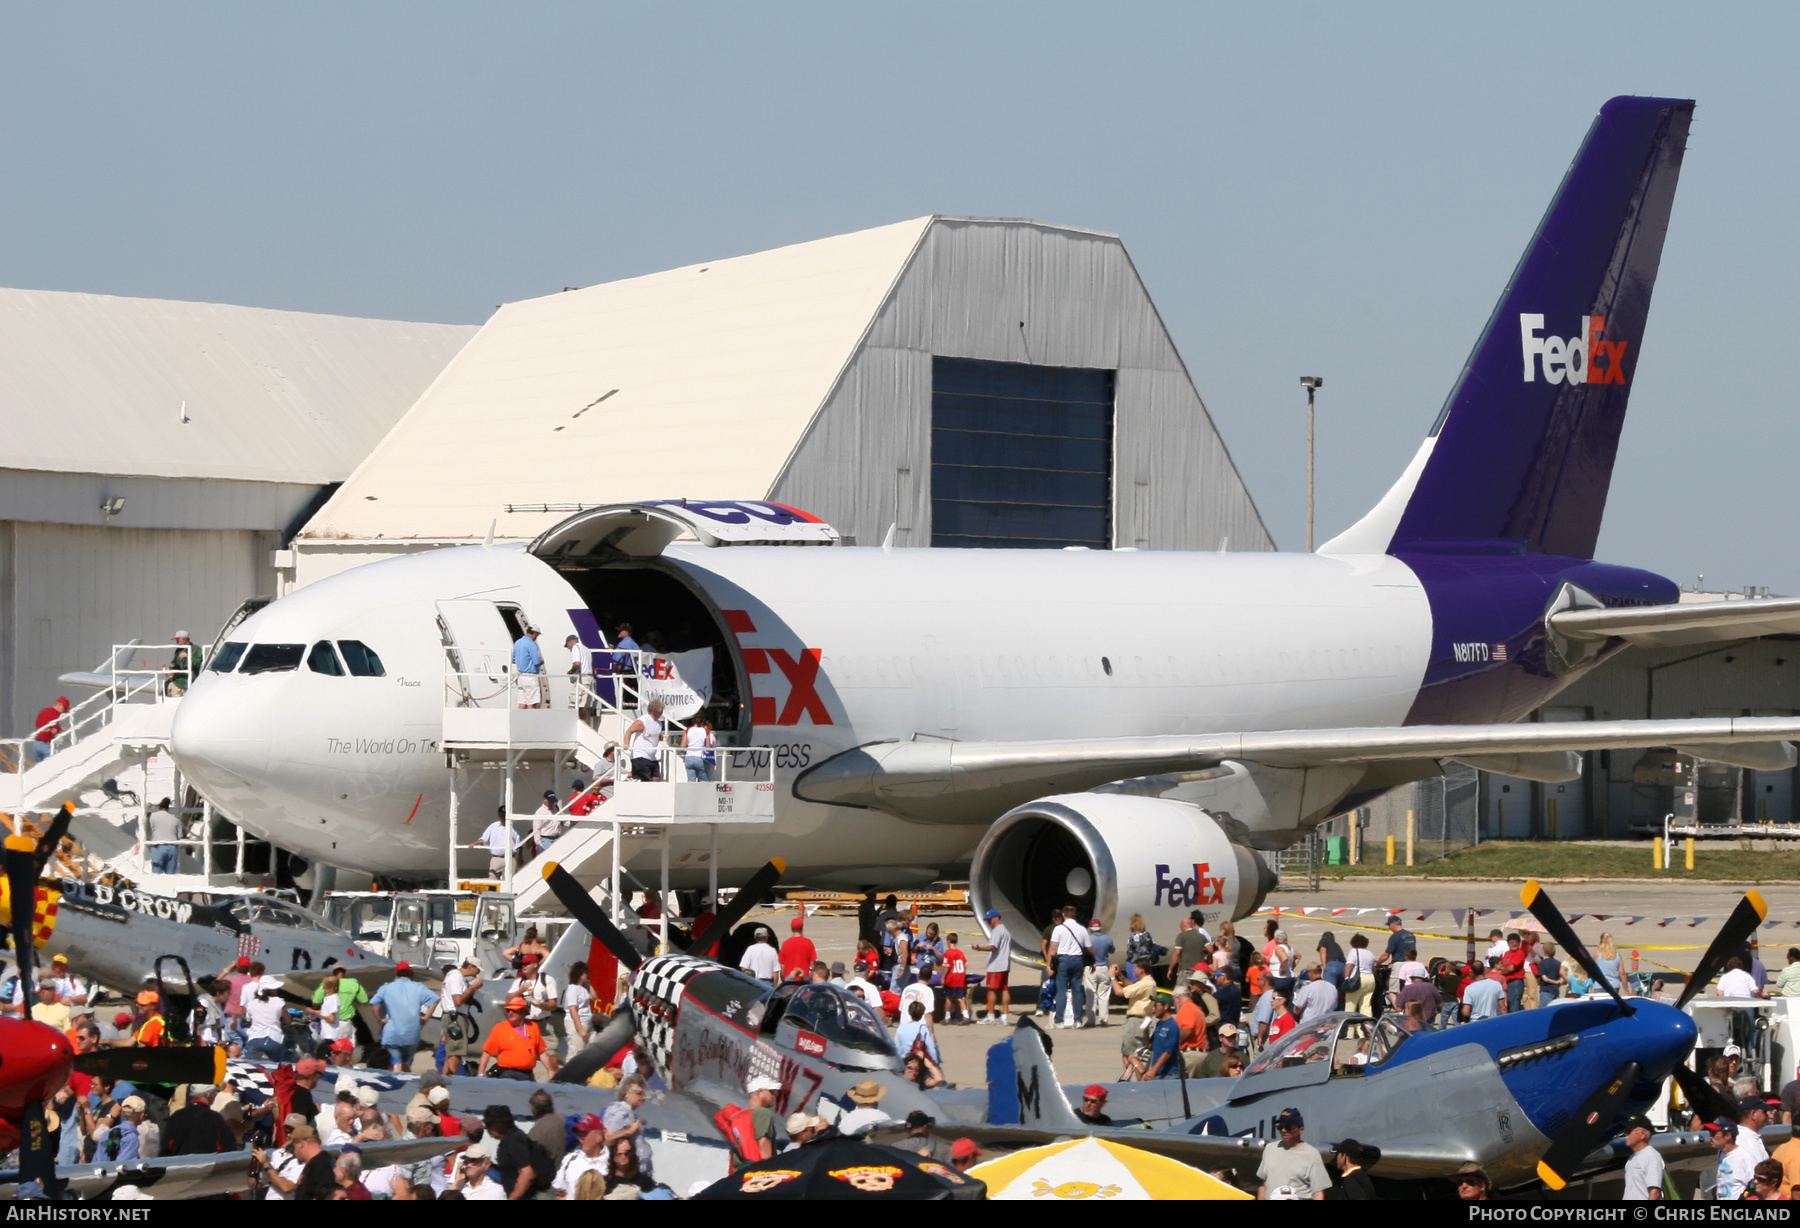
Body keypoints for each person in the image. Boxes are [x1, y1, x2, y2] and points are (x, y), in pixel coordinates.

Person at [369, 962, 437, 1071]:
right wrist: (426, 1018)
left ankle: (397, 1082)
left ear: (396, 973)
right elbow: (434, 1000)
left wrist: (379, 1020)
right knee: (406, 1064)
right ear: (411, 974)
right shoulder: (418, 987)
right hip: (411, 1032)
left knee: (395, 1062)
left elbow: (374, 1004)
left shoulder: (387, 988)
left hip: (392, 1032)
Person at [1256, 1107, 1329, 1200]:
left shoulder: (1312, 1154)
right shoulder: (1270, 1149)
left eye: (1288, 1127)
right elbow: (1263, 1185)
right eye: (1280, 1127)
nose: (1283, 1130)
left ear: (1301, 1129)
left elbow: (1318, 1192)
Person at [509, 960, 563, 1076]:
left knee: (551, 1054)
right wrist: (521, 990)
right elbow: (507, 1000)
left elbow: (553, 1005)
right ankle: (524, 1079)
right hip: (525, 1023)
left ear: (535, 964)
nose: (523, 966)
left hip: (543, 1023)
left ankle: (555, 1080)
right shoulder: (519, 982)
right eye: (522, 964)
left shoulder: (547, 980)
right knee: (522, 1054)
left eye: (526, 963)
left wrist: (542, 1005)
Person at [483, 1103, 542, 1200]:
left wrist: (514, 1197)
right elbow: (510, 1171)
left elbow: (527, 1172)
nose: (487, 1128)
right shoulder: (508, 1139)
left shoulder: (515, 1139)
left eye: (489, 1124)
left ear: (502, 1123)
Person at [478, 995, 546, 1080]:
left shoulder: (533, 1027)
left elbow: (542, 1053)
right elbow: (486, 1053)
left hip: (528, 1074)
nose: (510, 1013)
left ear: (524, 1012)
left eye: (514, 1010)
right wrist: (481, 1074)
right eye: (509, 1010)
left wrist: (552, 1071)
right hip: (508, 1074)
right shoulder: (500, 1028)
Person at [1049, 904, 1092, 1029]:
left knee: (1061, 991)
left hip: (1063, 960)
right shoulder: (1082, 929)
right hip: (1078, 959)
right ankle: (1078, 1020)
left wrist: (1049, 965)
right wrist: (1093, 960)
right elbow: (1089, 947)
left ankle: (1059, 1020)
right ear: (1075, 915)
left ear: (1063, 915)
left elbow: (1053, 948)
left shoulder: (1059, 929)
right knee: (1077, 990)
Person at [439, 955, 482, 1075]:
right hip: (456, 1017)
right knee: (456, 1052)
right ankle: (452, 1079)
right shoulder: (456, 976)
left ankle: (445, 1078)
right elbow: (458, 1001)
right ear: (470, 967)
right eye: (477, 969)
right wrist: (472, 989)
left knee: (451, 1052)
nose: (478, 972)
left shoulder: (453, 975)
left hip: (452, 1016)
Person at [165, 1084, 234, 1156]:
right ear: (208, 1095)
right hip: (206, 1164)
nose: (215, 1095)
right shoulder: (215, 1118)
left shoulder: (176, 1116)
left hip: (179, 1164)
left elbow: (166, 1147)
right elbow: (227, 1146)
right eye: (215, 1093)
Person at [1116, 962, 1157, 1078]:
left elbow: (1119, 992)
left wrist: (1112, 977)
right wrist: (1120, 975)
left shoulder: (1145, 984)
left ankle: (1144, 1081)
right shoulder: (1148, 983)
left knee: (1132, 1057)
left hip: (1135, 1022)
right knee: (1127, 1056)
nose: (1133, 971)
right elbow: (1131, 988)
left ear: (1142, 970)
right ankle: (1129, 1080)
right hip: (1140, 1021)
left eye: (1135, 969)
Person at [552, 1115, 609, 1199]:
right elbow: (561, 1194)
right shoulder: (570, 1159)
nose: (580, 1139)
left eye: (584, 1134)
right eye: (579, 1134)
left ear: (599, 1136)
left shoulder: (612, 1162)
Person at [973, 910, 1013, 1024]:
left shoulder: (997, 931)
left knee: (991, 990)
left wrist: (979, 948)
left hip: (996, 965)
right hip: (1005, 964)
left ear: (996, 918)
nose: (989, 922)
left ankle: (990, 1015)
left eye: (990, 919)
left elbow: (993, 947)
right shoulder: (1006, 931)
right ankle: (1005, 1016)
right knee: (1004, 989)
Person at [730, 1077, 781, 1166]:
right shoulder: (763, 1113)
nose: (774, 1095)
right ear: (759, 1093)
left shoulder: (742, 1114)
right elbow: (763, 1143)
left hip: (741, 1170)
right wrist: (769, 1169)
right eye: (771, 1091)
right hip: (758, 1172)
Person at [1709, 1115, 1760, 1201]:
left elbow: (1755, 1185)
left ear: (1728, 1136)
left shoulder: (1745, 1158)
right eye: (1710, 1133)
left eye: (1714, 1133)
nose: (1710, 1137)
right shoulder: (1722, 1155)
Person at [1621, 1115, 1664, 1200]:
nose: (1625, 1134)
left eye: (1629, 1131)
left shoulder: (1652, 1157)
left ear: (1643, 1134)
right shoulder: (1632, 1158)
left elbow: (1655, 1192)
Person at [624, 700, 665, 782]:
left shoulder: (659, 723)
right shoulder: (643, 721)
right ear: (657, 711)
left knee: (657, 779)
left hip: (652, 757)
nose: (662, 713)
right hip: (640, 755)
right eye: (661, 711)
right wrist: (626, 744)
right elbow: (629, 731)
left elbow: (654, 736)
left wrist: (662, 738)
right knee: (645, 780)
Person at [1086, 921, 1116, 1027]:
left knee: (1091, 994)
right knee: (1104, 995)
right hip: (1103, 967)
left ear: (1090, 928)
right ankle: (1103, 1019)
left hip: (1090, 967)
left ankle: (1090, 1020)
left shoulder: (1087, 939)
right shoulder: (1108, 939)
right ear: (1100, 928)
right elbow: (1112, 950)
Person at [1145, 991, 1181, 1079]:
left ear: (1166, 1007)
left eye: (1156, 1006)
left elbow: (1168, 1052)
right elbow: (1150, 1046)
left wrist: (1153, 1070)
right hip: (1157, 1073)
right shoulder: (1159, 1024)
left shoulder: (1172, 1026)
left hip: (1169, 1074)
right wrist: (1145, 1030)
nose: (1153, 1009)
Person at [475, 807, 518, 878]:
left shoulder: (514, 827)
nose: (503, 818)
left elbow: (518, 843)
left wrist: (520, 858)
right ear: (498, 816)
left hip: (510, 858)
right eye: (502, 816)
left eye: (505, 816)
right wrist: (474, 844)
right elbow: (483, 839)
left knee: (509, 882)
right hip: (496, 859)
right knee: (492, 879)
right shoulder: (493, 826)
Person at [512, 624, 545, 708]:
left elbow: (513, 659)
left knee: (522, 702)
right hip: (530, 676)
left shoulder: (518, 642)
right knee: (532, 702)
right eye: (537, 634)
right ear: (534, 633)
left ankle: (519, 720)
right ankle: (531, 720)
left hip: (520, 675)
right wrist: (542, 661)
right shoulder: (531, 644)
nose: (537, 637)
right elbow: (536, 662)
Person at [27, 696, 68, 763]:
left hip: (36, 743)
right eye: (64, 708)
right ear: (59, 705)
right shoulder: (55, 714)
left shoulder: (44, 711)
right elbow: (54, 730)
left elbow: (37, 725)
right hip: (44, 744)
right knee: (55, 758)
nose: (64, 711)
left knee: (38, 768)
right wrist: (61, 730)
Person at [940, 932, 970, 1024]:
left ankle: (947, 1017)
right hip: (960, 977)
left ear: (948, 941)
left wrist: (943, 977)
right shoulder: (961, 953)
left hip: (952, 978)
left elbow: (946, 967)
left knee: (949, 997)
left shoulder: (948, 953)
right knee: (960, 998)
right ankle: (966, 1016)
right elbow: (965, 964)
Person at [1168, 915, 1208, 983]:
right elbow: (1210, 950)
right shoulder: (1201, 936)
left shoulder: (1181, 936)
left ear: (1182, 925)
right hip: (1199, 971)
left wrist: (1170, 968)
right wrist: (1203, 953)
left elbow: (1177, 953)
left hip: (1186, 969)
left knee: (1182, 991)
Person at [146, 798, 181, 874]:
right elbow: (179, 837)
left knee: (157, 874)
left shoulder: (153, 816)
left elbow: (148, 829)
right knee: (171, 874)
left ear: (160, 806)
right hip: (172, 847)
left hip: (158, 846)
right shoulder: (175, 820)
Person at [780, 916, 816, 982]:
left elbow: (782, 967)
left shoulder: (785, 944)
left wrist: (784, 981)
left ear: (791, 928)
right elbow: (812, 964)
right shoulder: (808, 943)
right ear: (802, 928)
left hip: (789, 980)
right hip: (804, 980)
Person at [1739, 1096, 1772, 1165]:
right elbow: (1759, 1173)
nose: (1767, 1116)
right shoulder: (1750, 1143)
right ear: (1753, 1114)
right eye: (1764, 1112)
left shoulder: (1738, 1135)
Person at [1124, 914, 1157, 981]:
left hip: (1136, 963)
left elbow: (1129, 952)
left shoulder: (1132, 936)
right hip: (1146, 963)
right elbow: (1154, 949)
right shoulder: (1148, 935)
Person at [1317, 931, 1346, 996]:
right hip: (1343, 966)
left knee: (1329, 991)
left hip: (1332, 966)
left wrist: (1324, 967)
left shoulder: (1324, 941)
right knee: (1340, 993)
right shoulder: (1336, 945)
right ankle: (1339, 1006)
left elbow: (1323, 951)